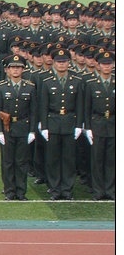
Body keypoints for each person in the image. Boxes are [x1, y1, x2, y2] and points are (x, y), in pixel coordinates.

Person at [38, 47, 84, 201]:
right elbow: (43, 106)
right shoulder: (47, 81)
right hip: (53, 121)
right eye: (59, 62)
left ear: (69, 63)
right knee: (53, 158)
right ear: (54, 63)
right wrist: (43, 126)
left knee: (69, 158)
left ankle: (67, 189)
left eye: (64, 62)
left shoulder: (77, 81)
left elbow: (80, 105)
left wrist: (79, 125)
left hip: (70, 122)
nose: (62, 65)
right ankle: (55, 188)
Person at [0, 55, 38, 201]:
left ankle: (21, 191)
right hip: (7, 129)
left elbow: (33, 111)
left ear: (23, 69)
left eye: (19, 67)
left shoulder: (29, 87)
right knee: (8, 161)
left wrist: (32, 130)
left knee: (21, 162)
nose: (16, 70)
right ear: (7, 70)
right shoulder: (0, 87)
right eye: (13, 67)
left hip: (23, 128)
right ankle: (9, 191)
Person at [83, 49, 115, 200]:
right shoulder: (91, 84)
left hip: (114, 124)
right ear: (98, 65)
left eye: (109, 64)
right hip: (97, 123)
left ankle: (111, 190)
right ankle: (98, 190)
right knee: (97, 160)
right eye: (104, 64)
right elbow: (87, 107)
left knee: (112, 160)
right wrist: (87, 127)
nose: (107, 67)